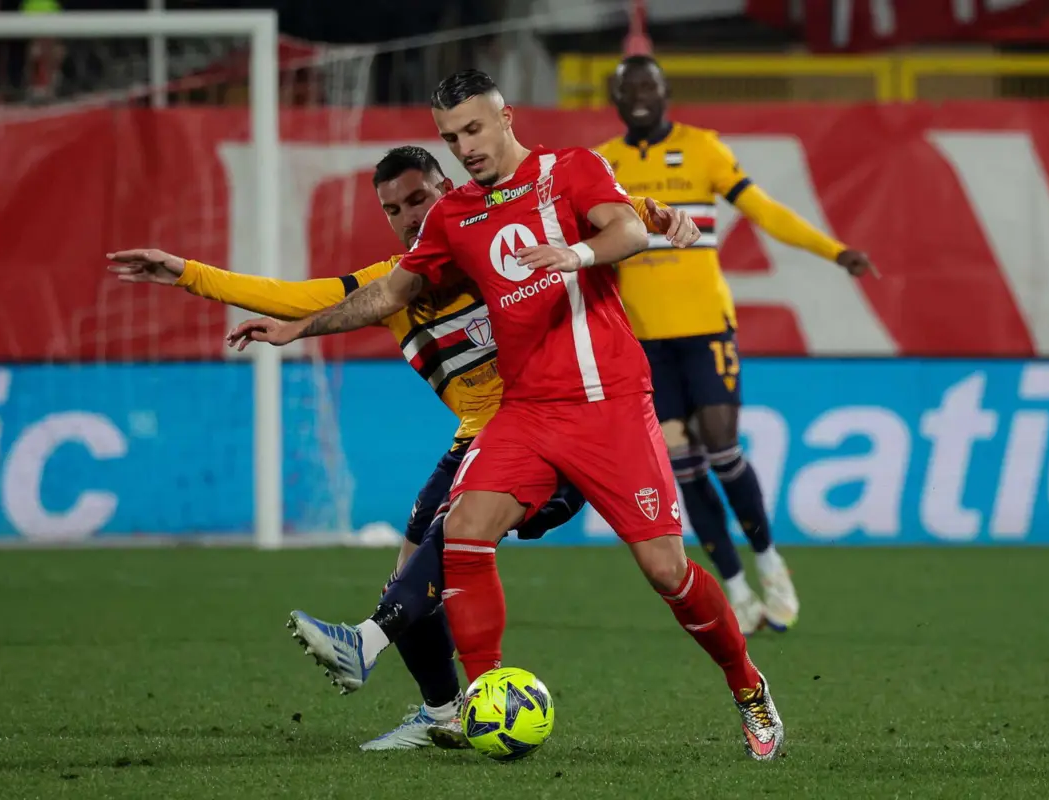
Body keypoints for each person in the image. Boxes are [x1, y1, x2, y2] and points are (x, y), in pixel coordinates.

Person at [227, 69, 785, 761]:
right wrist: (299, 328)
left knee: (666, 570)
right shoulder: (453, 215)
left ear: (506, 118)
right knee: (463, 531)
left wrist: (574, 253)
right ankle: (483, 698)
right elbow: (387, 294)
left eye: (473, 129)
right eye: (450, 137)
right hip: (526, 412)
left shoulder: (571, 170)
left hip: (609, 403)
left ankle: (748, 686)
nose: (465, 147)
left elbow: (626, 230)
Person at [106, 145, 699, 751]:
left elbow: (597, 211)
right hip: (476, 437)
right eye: (393, 209)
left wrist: (656, 212)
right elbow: (292, 295)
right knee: (410, 577)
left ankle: (365, 641)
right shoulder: (393, 284)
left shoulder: (502, 244)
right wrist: (185, 273)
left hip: (553, 428)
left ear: (449, 189)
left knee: (446, 542)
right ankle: (442, 710)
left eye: (419, 199)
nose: (410, 216)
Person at [595, 54, 879, 633]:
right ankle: (736, 587)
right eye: (630, 89)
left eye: (649, 86)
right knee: (683, 463)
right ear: (616, 99)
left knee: (722, 446)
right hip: (644, 338)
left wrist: (835, 251)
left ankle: (770, 562)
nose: (641, 97)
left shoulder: (703, 148)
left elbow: (763, 210)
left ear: (666, 92)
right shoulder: (602, 164)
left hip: (704, 325)